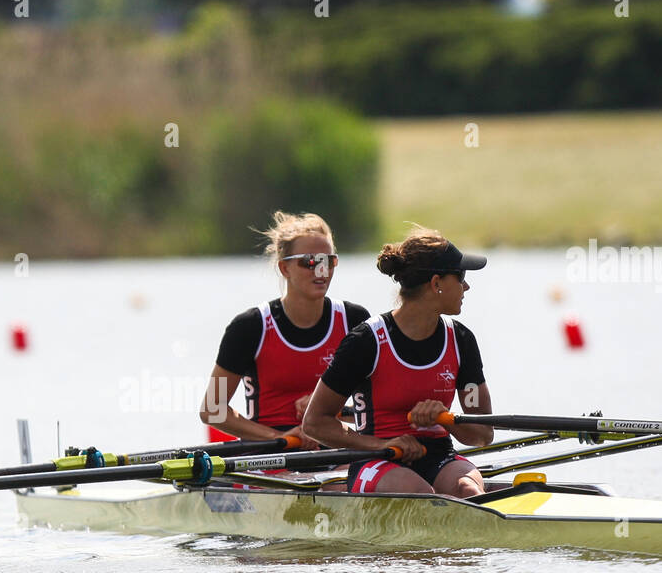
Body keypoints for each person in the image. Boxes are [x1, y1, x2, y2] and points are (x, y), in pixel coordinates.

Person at [301, 227, 494, 497]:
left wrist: (446, 419)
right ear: (436, 283)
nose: (466, 286)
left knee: (468, 490)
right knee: (420, 495)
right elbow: (314, 423)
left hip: (438, 456)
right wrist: (382, 443)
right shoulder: (366, 341)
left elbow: (482, 434)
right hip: (377, 458)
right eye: (460, 277)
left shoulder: (461, 340)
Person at [200, 211, 370, 443]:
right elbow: (212, 409)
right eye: (310, 261)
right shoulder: (248, 328)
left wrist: (328, 411)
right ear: (284, 268)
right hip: (272, 455)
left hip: (334, 447)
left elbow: (375, 405)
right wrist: (280, 437)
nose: (322, 271)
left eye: (328, 261)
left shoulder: (354, 321)